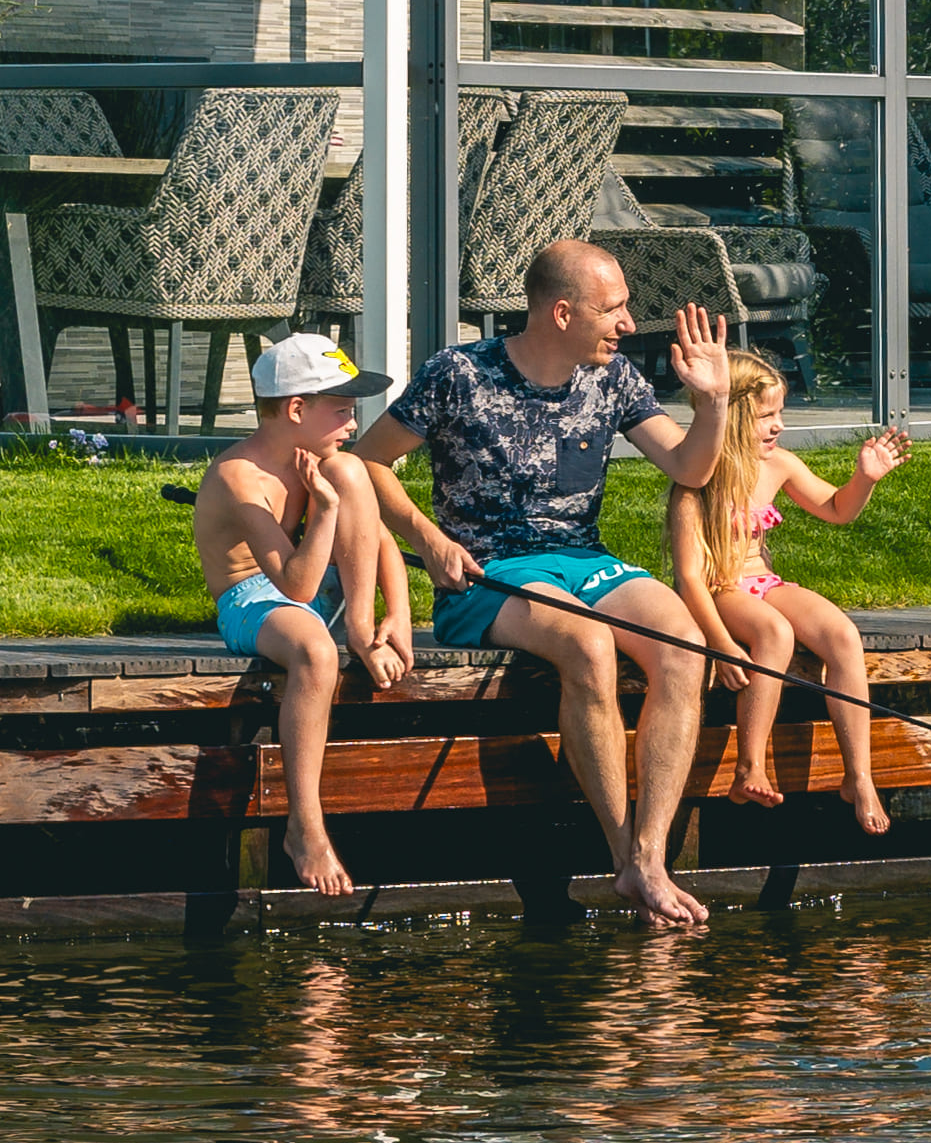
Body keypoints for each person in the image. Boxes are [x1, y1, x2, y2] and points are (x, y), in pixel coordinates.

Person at [351, 234, 730, 928]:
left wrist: (711, 405)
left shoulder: (612, 378)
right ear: (561, 312)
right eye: (611, 309)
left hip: (583, 560)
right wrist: (426, 537)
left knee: (680, 639)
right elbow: (365, 463)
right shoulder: (457, 374)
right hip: (487, 572)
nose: (626, 323)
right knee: (586, 647)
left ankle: (650, 853)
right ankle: (629, 861)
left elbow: (689, 468)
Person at [650, 296, 917, 834]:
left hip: (762, 581)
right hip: (719, 587)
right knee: (772, 632)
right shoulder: (694, 483)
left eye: (780, 413)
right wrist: (721, 644)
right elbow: (687, 579)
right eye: (766, 415)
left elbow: (837, 510)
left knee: (841, 633)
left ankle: (858, 775)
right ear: (734, 413)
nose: (778, 426)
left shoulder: (778, 465)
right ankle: (749, 764)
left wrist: (864, 477)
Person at [195, 329, 421, 896]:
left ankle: (361, 632)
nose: (352, 423)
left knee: (353, 473)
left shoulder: (329, 462)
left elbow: (379, 543)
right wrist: (323, 510)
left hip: (318, 592)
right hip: (255, 599)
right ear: (296, 409)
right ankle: (306, 825)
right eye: (342, 410)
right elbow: (294, 589)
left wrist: (397, 617)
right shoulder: (238, 477)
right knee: (316, 651)